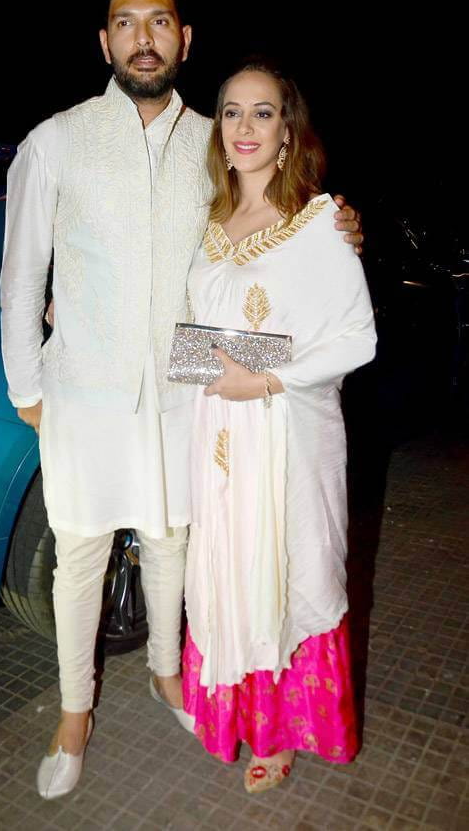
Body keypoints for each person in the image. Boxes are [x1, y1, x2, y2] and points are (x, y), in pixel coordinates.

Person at [0, 0, 364, 800]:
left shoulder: (212, 143)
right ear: (104, 43)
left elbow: (268, 230)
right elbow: (22, 276)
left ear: (183, 39)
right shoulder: (55, 140)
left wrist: (339, 223)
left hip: (183, 392)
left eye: (157, 22)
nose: (142, 37)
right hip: (83, 394)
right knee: (81, 555)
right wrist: (28, 385)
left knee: (171, 543)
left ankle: (169, 674)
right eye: (124, 24)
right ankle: (73, 712)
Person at [181, 61, 376, 793]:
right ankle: (237, 714)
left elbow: (356, 339)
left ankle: (283, 732)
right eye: (231, 112)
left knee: (288, 570)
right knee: (230, 571)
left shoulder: (320, 221)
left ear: (288, 132)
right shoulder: (208, 227)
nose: (244, 128)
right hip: (220, 439)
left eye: (262, 113)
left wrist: (260, 374)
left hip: (288, 438)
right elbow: (193, 340)